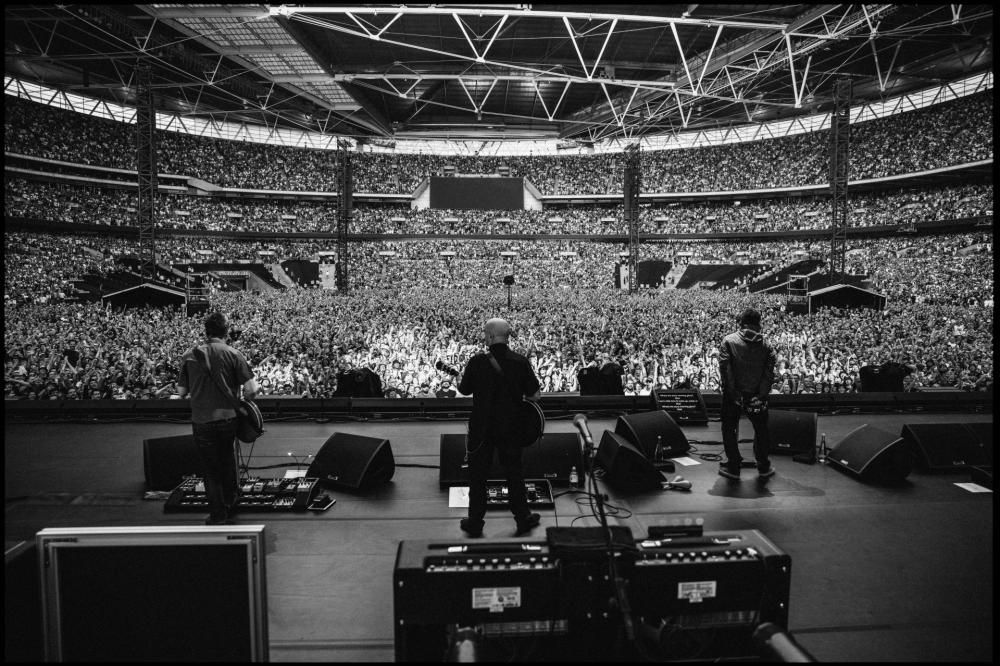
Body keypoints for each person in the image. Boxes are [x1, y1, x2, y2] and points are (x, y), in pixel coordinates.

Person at [458, 318, 542, 538]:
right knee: (514, 473)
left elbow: (464, 390)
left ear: (491, 336)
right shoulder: (520, 361)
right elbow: (535, 395)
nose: (484, 337)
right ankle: (523, 518)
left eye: (485, 334)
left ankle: (475, 522)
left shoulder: (477, 362)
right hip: (511, 426)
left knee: (478, 476)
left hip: (482, 427)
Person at [174, 312, 259, 525]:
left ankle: (217, 515)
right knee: (227, 459)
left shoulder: (189, 355)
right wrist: (242, 399)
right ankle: (231, 502)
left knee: (210, 469)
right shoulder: (233, 353)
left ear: (206, 332)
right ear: (226, 332)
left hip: (202, 420)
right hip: (228, 418)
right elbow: (251, 390)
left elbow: (181, 391)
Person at [717, 308, 777, 480]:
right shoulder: (766, 345)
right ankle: (763, 465)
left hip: (733, 395)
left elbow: (726, 370)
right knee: (761, 429)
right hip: (757, 395)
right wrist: (761, 395)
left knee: (729, 428)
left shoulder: (729, 341)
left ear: (741, 323)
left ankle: (734, 466)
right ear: (759, 324)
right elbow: (769, 373)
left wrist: (733, 393)